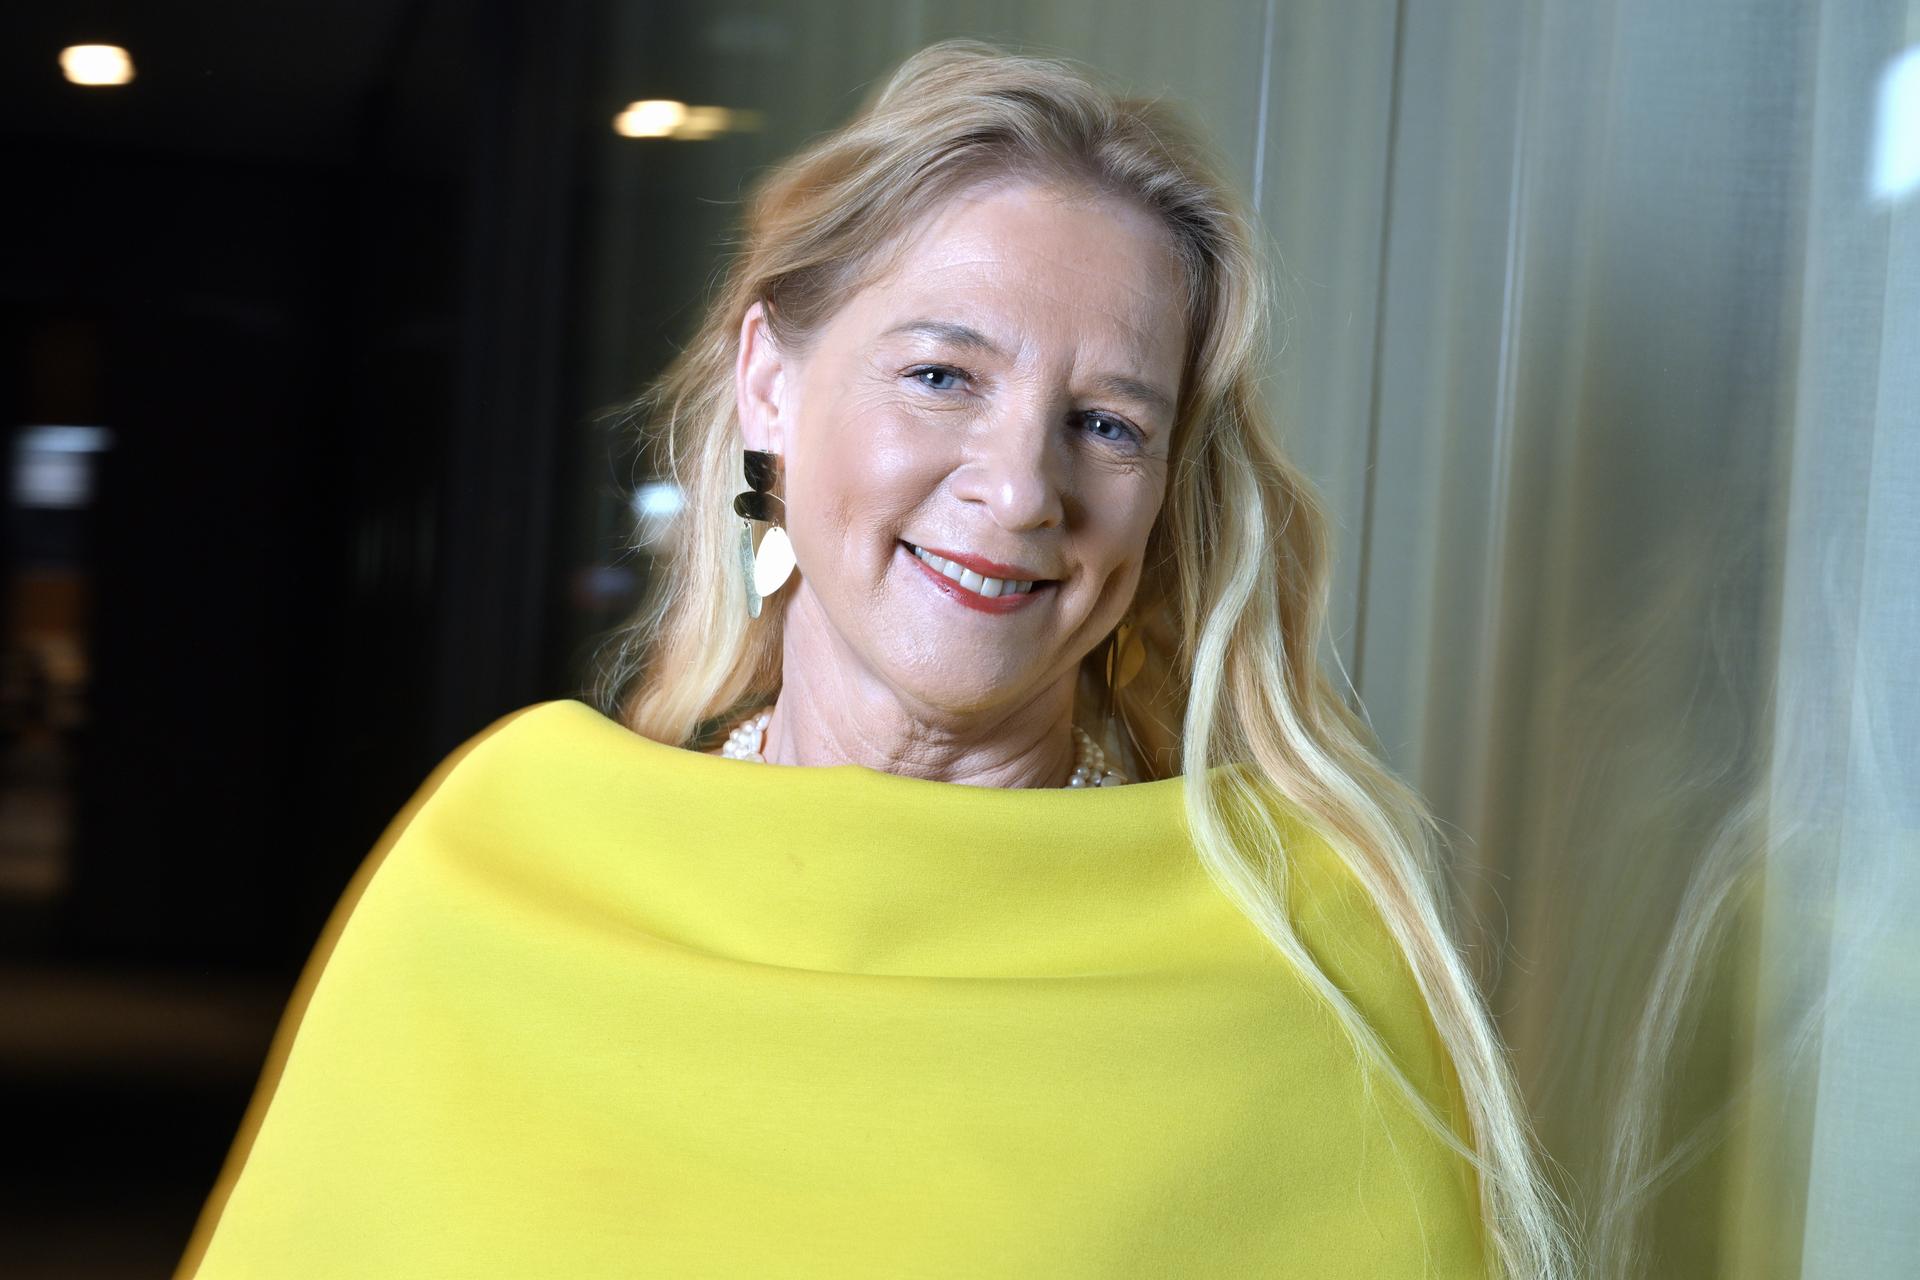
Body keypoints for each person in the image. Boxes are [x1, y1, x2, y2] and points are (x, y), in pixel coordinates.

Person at [177, 38, 1575, 1280]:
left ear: (1165, 491)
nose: (1021, 487)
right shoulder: (501, 859)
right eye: (943, 375)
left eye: (1107, 424)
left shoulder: (1292, 940)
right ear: (771, 382)